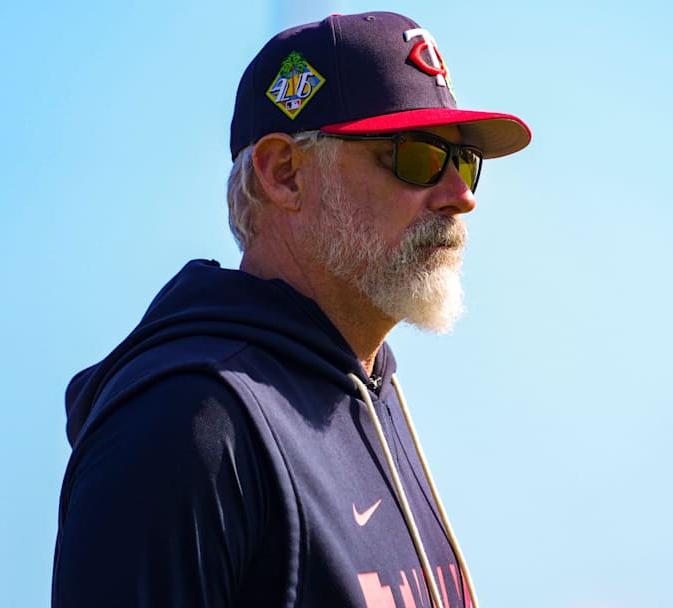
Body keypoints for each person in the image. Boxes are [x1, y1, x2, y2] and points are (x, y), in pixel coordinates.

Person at [51, 11, 530, 608]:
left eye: (464, 161)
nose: (460, 196)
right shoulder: (187, 421)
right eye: (417, 156)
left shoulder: (371, 393)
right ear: (284, 174)